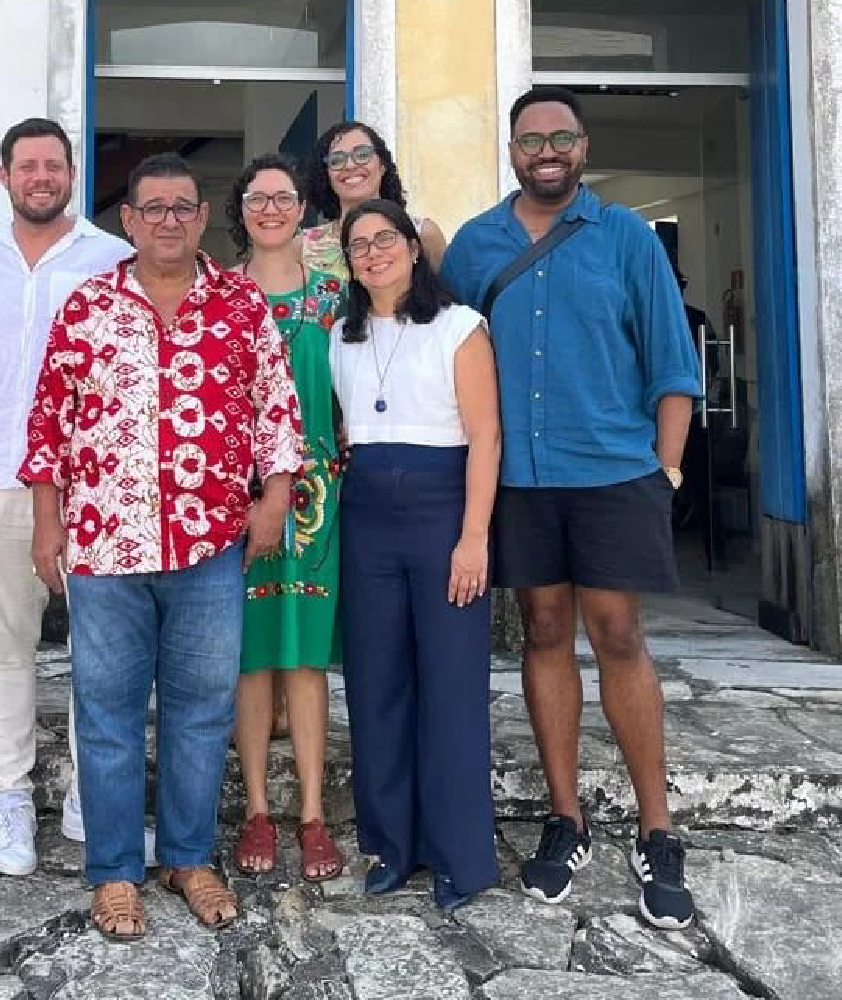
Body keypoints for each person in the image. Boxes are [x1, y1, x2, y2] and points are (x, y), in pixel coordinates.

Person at [20, 153, 304, 940]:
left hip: (211, 544)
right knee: (106, 715)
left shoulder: (242, 303)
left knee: (201, 711)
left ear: (203, 218)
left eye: (183, 207)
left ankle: (187, 856)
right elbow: (49, 422)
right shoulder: (88, 306)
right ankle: (113, 871)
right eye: (154, 208)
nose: (169, 221)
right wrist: (48, 523)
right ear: (129, 220)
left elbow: (276, 408)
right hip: (107, 547)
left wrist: (273, 500)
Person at [440, 86, 702, 929]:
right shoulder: (477, 244)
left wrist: (665, 471)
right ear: (511, 149)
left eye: (561, 136)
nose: (545, 149)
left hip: (613, 472)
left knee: (618, 633)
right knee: (545, 629)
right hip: (520, 477)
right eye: (530, 138)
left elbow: (671, 360)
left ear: (582, 146)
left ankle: (657, 828)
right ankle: (567, 818)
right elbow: (440, 356)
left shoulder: (625, 236)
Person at [0, 118, 142, 876]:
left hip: (96, 484)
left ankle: (86, 797)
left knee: (101, 654)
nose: (41, 176)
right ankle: (11, 799)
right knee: (6, 647)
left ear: (71, 174)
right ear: (3, 175)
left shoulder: (114, 257)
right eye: (26, 165)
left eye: (53, 165)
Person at [330, 200, 501, 912]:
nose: (373, 253)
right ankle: (392, 847)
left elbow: (486, 438)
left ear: (412, 246)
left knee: (452, 688)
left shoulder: (460, 328)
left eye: (385, 239)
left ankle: (459, 856)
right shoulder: (340, 334)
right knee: (377, 688)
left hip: (442, 516)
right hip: (367, 518)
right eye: (359, 244)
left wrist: (473, 537)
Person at [222, 153, 346, 883]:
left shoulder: (336, 297)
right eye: (257, 197)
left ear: (303, 208)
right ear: (241, 211)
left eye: (283, 197)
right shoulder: (224, 298)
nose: (270, 208)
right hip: (236, 496)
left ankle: (313, 814)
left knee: (306, 654)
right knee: (251, 652)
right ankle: (259, 811)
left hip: (321, 494)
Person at [301, 121, 447, 281]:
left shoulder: (423, 234)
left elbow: (441, 297)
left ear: (382, 165)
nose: (350, 165)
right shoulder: (304, 245)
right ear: (326, 174)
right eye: (336, 160)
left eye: (362, 155)